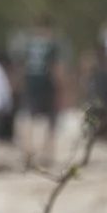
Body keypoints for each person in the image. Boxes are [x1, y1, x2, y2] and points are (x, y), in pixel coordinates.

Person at [11, 18, 67, 164]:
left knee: (28, 116)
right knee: (50, 119)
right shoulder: (52, 44)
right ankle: (47, 154)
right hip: (47, 83)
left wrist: (18, 84)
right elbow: (57, 67)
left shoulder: (28, 44)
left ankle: (27, 152)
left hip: (31, 82)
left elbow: (21, 66)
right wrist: (61, 87)